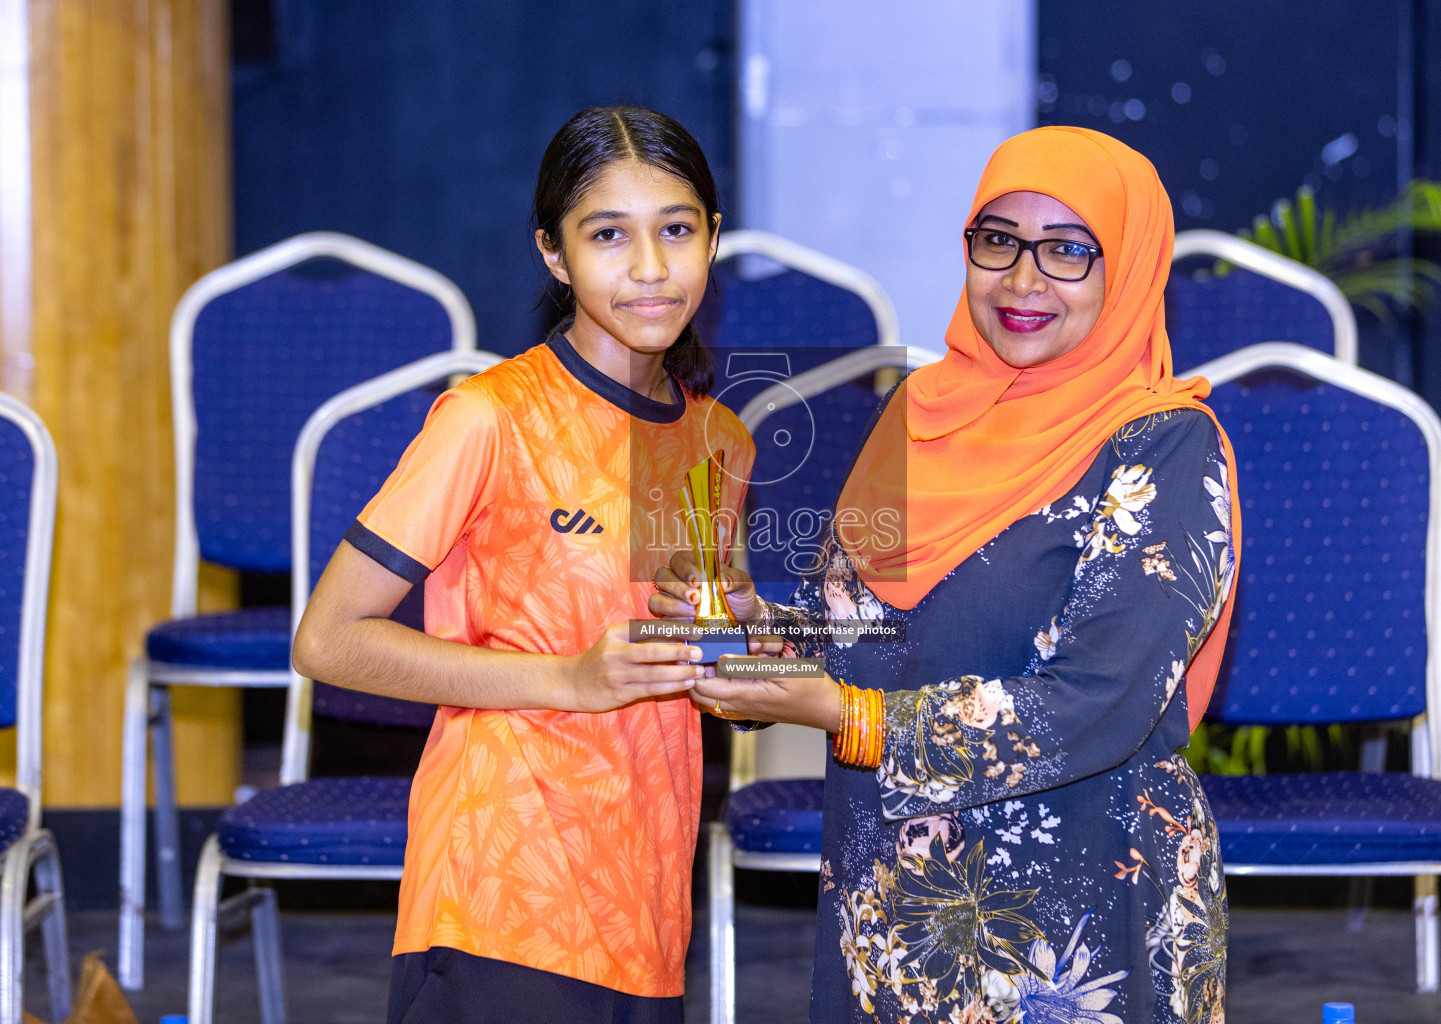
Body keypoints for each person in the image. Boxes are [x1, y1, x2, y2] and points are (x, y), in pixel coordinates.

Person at [652, 126, 1242, 1023]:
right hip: (893, 908)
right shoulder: (916, 417)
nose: (1023, 279)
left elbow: (1097, 702)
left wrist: (843, 712)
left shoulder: (1165, 447)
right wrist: (755, 627)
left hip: (1076, 917)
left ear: (1127, 270)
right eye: (998, 239)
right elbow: (851, 633)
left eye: (1070, 251)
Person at [293, 105, 755, 1024]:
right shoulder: (486, 416)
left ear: (714, 239)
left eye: (677, 230)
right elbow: (329, 640)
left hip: (649, 880)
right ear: (554, 254)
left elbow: (714, 674)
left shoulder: (720, 439)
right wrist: (567, 678)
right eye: (608, 235)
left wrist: (744, 639)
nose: (652, 267)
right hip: (504, 873)